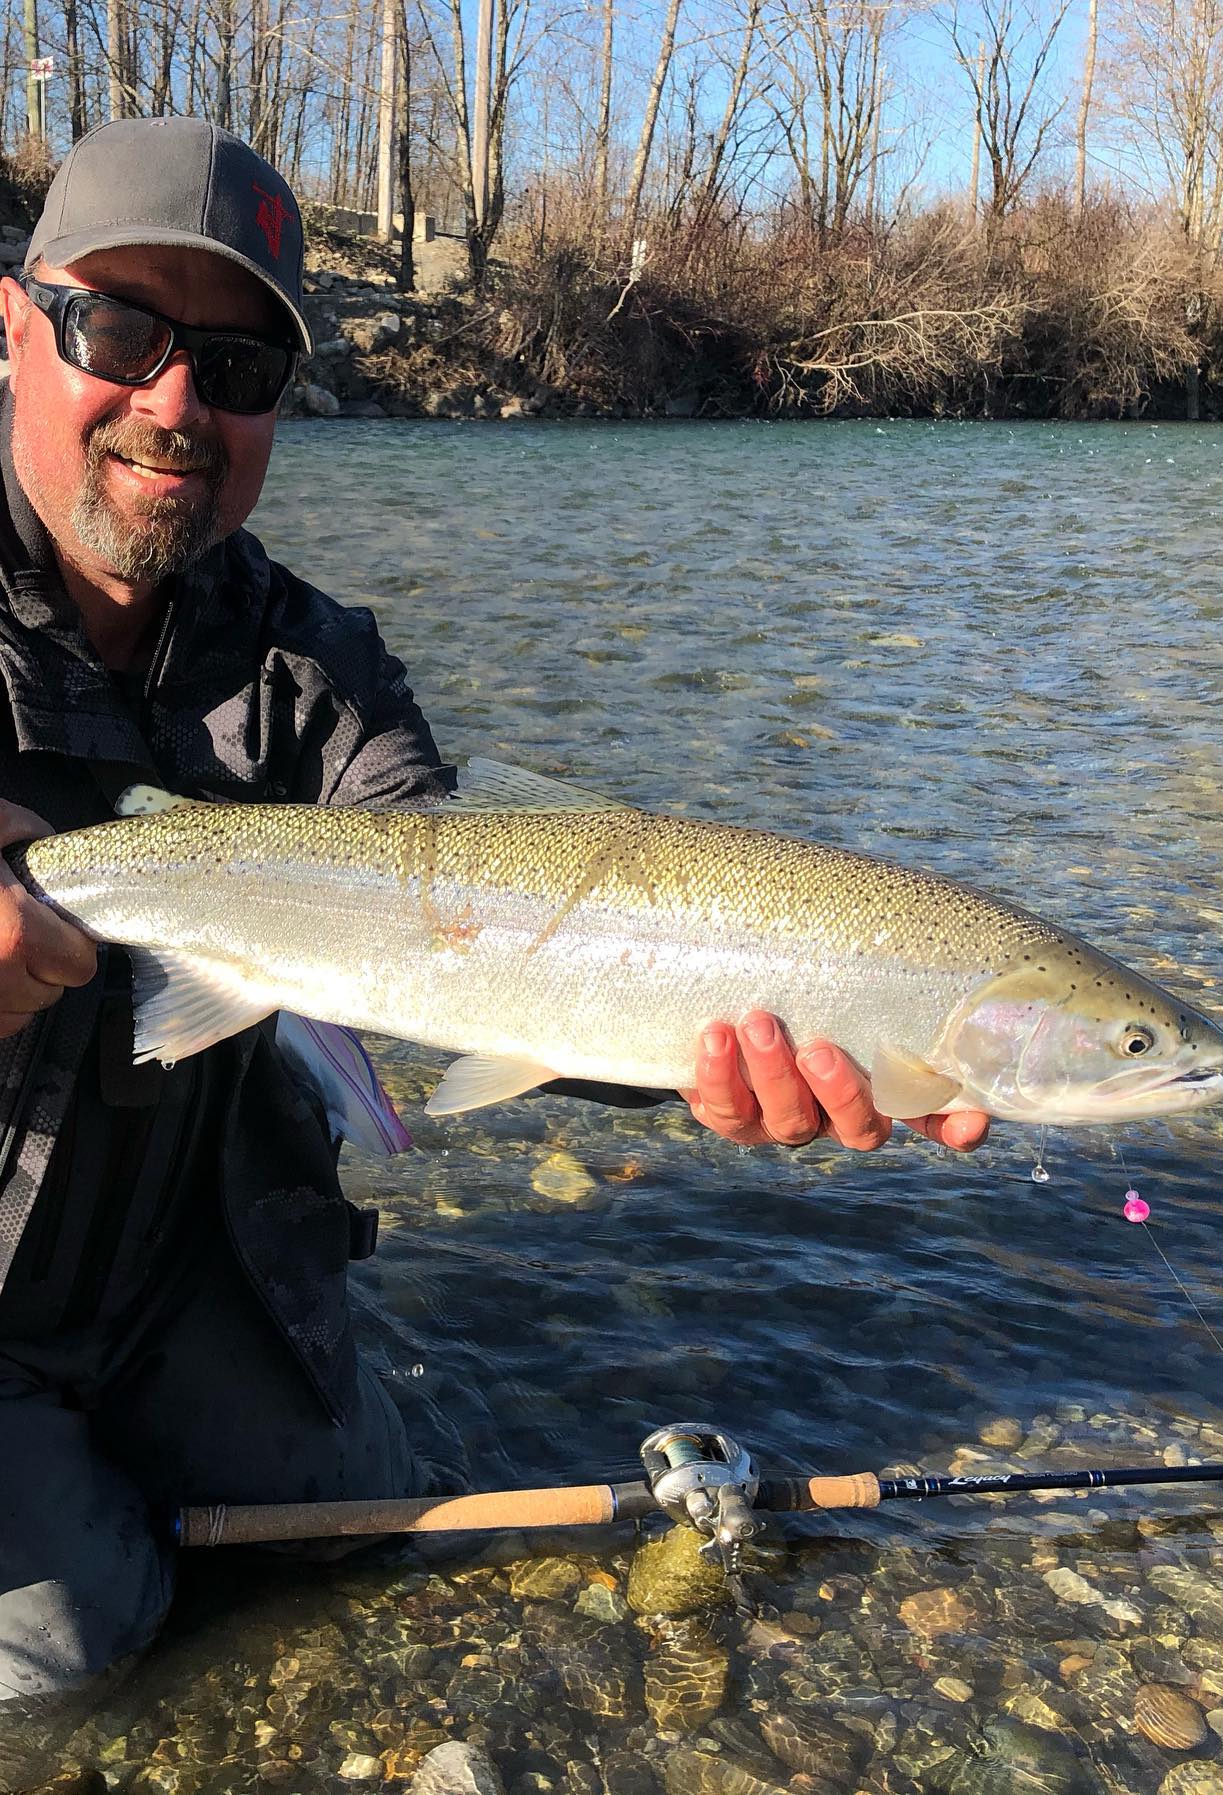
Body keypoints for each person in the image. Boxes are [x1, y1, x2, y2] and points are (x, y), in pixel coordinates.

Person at [0, 116, 989, 1709]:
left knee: (346, 1545)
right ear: (12, 321)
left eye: (241, 369)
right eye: (120, 332)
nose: (177, 404)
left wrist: (700, 1043)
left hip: (196, 1274)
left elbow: (487, 929)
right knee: (64, 1658)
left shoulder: (320, 666)